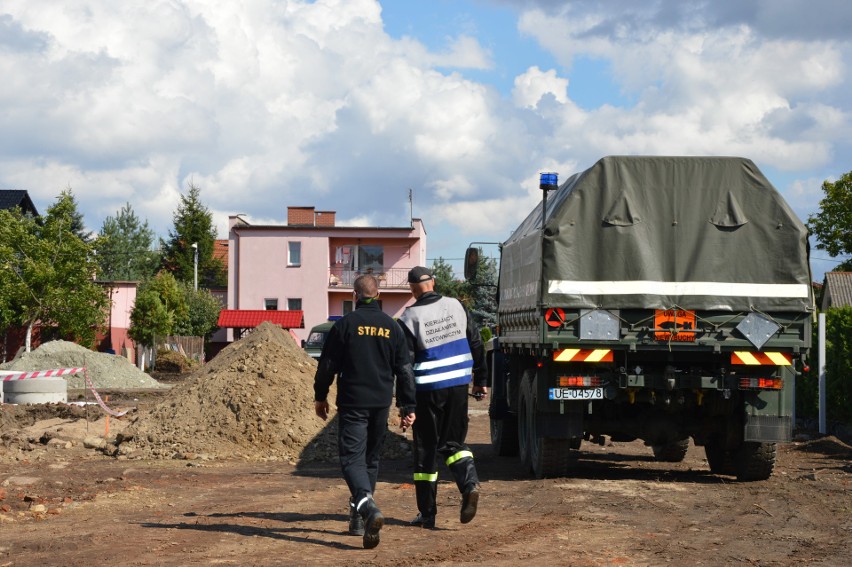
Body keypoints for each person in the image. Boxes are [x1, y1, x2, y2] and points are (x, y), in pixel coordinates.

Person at [313, 274, 417, 549]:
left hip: (353, 403)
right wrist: (407, 406)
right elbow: (405, 370)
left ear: (355, 296)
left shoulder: (345, 325)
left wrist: (320, 396)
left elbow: (327, 365)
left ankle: (367, 509)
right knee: (370, 461)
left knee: (350, 460)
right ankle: (359, 520)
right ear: (378, 294)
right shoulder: (391, 327)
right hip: (381, 405)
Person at [398, 266, 488, 529]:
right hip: (459, 386)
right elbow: (476, 342)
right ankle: (469, 484)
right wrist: (481, 380)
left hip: (427, 390)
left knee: (426, 450)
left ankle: (427, 514)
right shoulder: (456, 305)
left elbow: (405, 365)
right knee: (453, 443)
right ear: (433, 283)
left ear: (413, 290)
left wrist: (406, 404)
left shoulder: (409, 316)